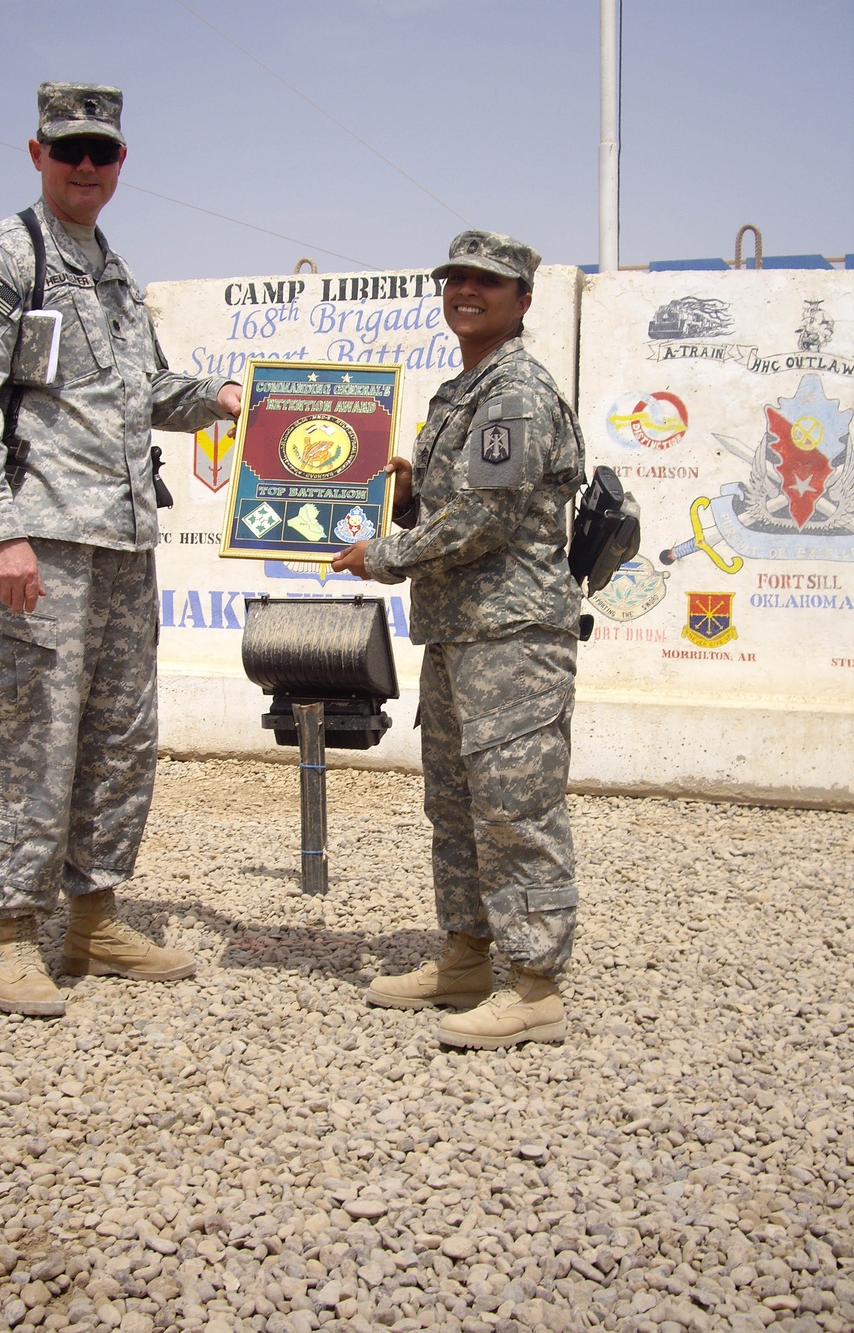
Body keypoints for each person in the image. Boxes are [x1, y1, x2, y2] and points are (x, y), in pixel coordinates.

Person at [0, 83, 241, 1017]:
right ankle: (12, 933)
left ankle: (94, 917)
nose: (86, 167)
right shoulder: (2, 258)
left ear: (121, 163)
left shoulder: (112, 274)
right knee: (36, 739)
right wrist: (1, 530)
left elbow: (142, 391)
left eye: (101, 153)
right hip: (41, 549)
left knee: (119, 737)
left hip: (121, 546)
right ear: (36, 154)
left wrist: (223, 401)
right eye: (69, 151)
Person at [332, 230, 584, 1049]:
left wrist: (387, 552)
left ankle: (536, 985)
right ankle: (467, 956)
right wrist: (405, 498)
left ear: (522, 300)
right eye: (457, 278)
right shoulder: (460, 392)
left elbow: (486, 517)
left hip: (513, 638)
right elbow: (453, 510)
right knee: (456, 806)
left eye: (489, 282)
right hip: (459, 634)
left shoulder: (513, 392)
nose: (467, 291)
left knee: (515, 810)